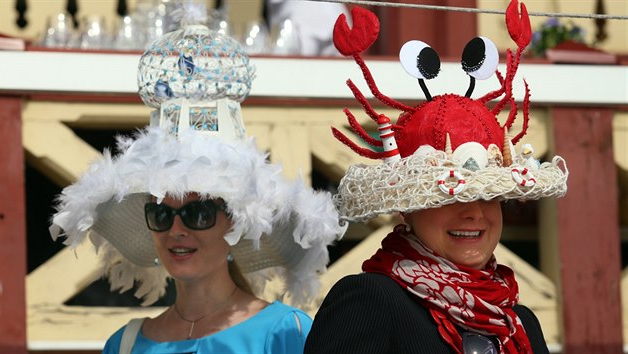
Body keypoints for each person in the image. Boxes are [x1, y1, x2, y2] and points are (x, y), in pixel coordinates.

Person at [49, 5, 345, 353]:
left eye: (198, 213)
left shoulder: (283, 332)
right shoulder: (126, 344)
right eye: (161, 214)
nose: (176, 230)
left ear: (234, 222)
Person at [304, 2, 568, 353]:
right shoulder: (371, 301)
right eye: (450, 195)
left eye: (489, 195)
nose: (474, 212)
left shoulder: (518, 321)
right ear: (408, 208)